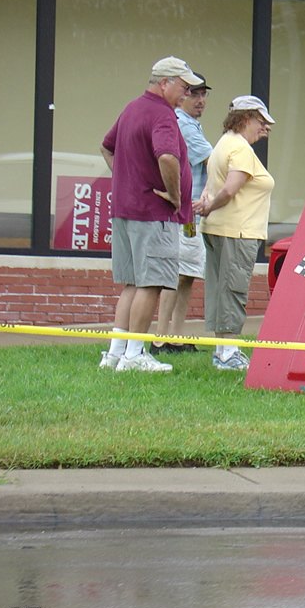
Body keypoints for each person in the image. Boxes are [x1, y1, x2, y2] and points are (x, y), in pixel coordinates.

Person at [99, 56, 204, 372]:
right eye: (183, 87)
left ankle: (116, 354)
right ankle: (134, 356)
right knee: (151, 283)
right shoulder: (162, 114)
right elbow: (169, 157)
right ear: (165, 83)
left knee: (131, 283)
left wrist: (126, 180)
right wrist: (174, 195)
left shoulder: (132, 108)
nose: (186, 94)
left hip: (126, 209)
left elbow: (107, 147)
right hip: (152, 213)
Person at [195, 95, 276, 371]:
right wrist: (210, 207)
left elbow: (211, 186)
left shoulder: (223, 144)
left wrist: (208, 205)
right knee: (233, 290)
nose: (265, 128)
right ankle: (229, 354)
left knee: (221, 289)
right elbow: (229, 189)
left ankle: (222, 351)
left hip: (220, 228)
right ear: (246, 118)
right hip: (238, 231)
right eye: (261, 122)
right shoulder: (240, 149)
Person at [152, 73, 213, 355]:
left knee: (187, 273)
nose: (200, 100)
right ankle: (161, 337)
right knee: (175, 273)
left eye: (204, 95)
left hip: (191, 212)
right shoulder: (183, 124)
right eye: (195, 94)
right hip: (183, 211)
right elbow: (215, 162)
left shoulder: (191, 125)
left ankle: (175, 334)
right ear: (183, 94)